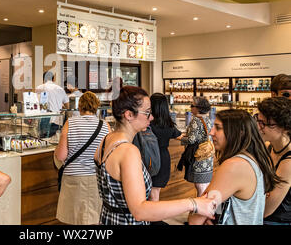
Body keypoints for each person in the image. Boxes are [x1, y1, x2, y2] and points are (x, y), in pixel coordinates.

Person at [93, 86, 217, 225]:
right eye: (147, 112)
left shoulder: (106, 140)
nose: (151, 117)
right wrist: (193, 203)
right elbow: (140, 211)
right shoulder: (128, 151)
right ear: (129, 115)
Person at [189, 109, 283, 225]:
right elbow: (217, 200)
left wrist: (202, 212)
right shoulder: (250, 159)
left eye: (218, 128)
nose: (211, 132)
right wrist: (212, 214)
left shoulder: (235, 166)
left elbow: (196, 217)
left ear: (239, 132)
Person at [55, 91, 111, 224]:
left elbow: (61, 155)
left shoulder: (70, 123)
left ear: (80, 106)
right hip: (96, 178)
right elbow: (107, 156)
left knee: (74, 219)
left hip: (73, 178)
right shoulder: (105, 126)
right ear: (96, 106)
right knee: (94, 218)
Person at [256, 97, 291, 225]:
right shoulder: (268, 147)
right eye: (259, 121)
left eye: (265, 124)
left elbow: (267, 209)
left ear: (285, 127)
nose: (259, 127)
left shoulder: (288, 163)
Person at [145, 93, 182, 202]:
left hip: (150, 157)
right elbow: (180, 136)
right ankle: (152, 217)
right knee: (156, 191)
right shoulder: (169, 123)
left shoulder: (148, 123)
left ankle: (152, 218)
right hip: (164, 157)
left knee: (150, 192)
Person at [177, 96, 213, 197]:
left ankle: (202, 210)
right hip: (207, 157)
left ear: (198, 107)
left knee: (200, 188)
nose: (190, 108)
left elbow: (191, 140)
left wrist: (179, 138)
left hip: (199, 158)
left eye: (192, 105)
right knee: (205, 186)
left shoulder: (196, 120)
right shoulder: (207, 119)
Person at [35, 71, 69, 136]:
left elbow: (36, 103)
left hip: (45, 119)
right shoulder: (60, 89)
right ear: (53, 79)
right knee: (54, 139)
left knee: (43, 140)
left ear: (43, 79)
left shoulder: (40, 88)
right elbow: (67, 105)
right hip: (58, 120)